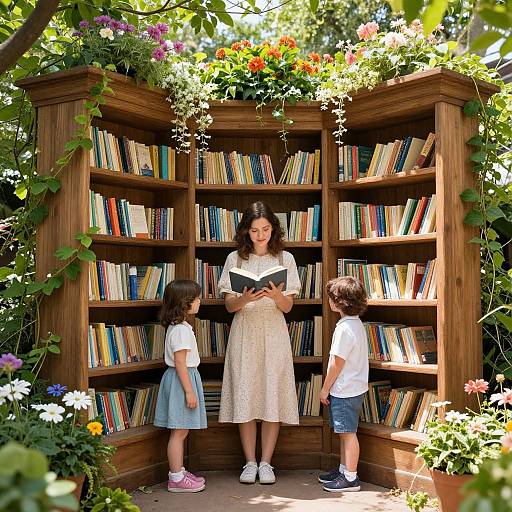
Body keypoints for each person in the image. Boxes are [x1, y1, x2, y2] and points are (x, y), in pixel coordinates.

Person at [218, 201, 301, 485]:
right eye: (255, 230)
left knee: (271, 395)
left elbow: (288, 307)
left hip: (274, 333)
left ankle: (266, 463)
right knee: (246, 394)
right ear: (246, 232)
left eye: (266, 229)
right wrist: (245, 299)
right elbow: (229, 306)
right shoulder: (235, 259)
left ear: (273, 229)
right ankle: (249, 462)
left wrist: (276, 296)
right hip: (245, 332)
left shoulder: (285, 259)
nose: (261, 235)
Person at [154, 279, 207, 493]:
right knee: (179, 432)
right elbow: (180, 362)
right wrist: (189, 391)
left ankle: (179, 471)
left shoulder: (179, 327)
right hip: (181, 381)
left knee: (181, 431)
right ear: (185, 303)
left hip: (180, 379)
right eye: (196, 298)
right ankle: (175, 477)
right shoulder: (181, 331)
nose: (200, 301)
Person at [318, 276, 368, 492]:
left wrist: (325, 388)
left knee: (348, 433)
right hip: (353, 388)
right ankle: (343, 469)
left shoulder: (344, 329)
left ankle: (350, 477)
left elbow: (336, 363)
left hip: (345, 390)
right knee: (344, 431)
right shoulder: (356, 325)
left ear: (338, 302)